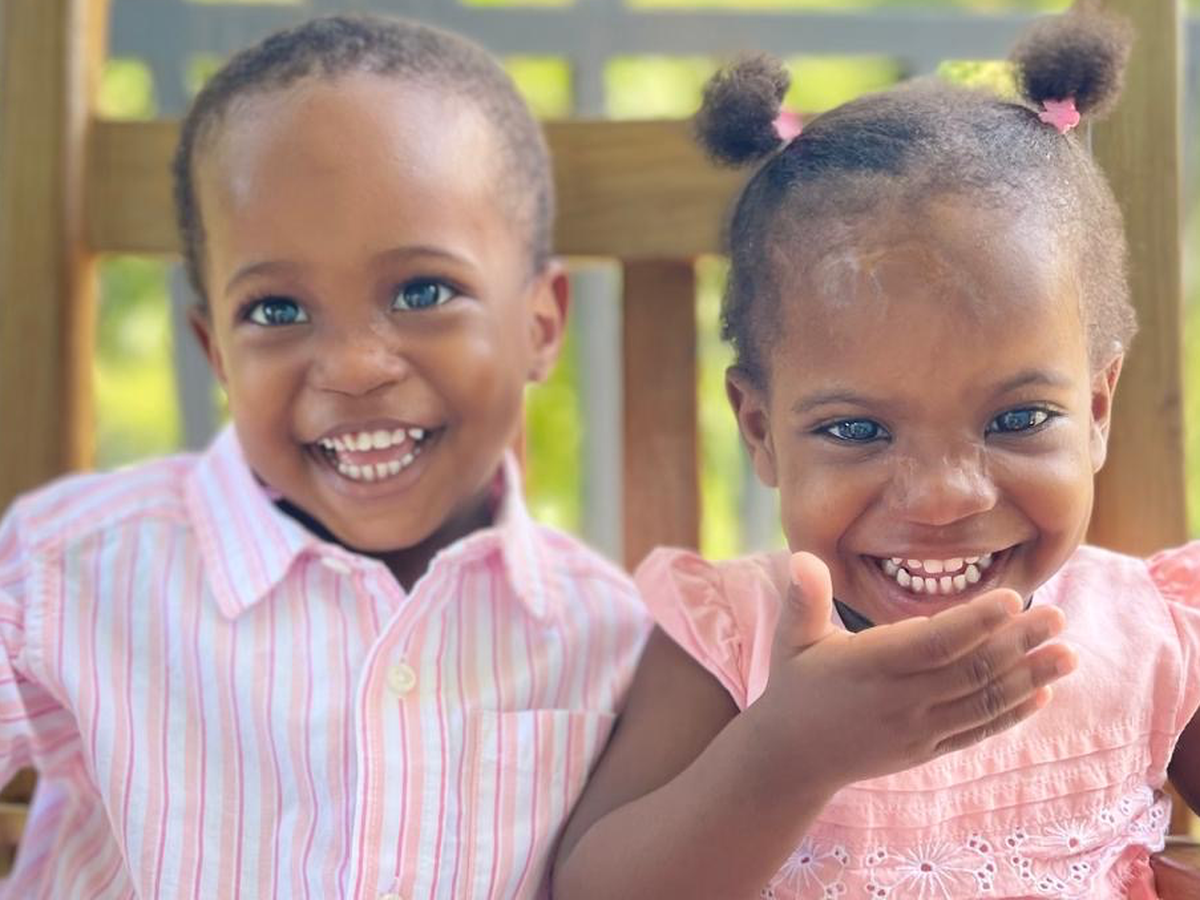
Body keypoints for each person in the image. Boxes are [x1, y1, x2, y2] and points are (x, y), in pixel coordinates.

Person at [554, 6, 1199, 899]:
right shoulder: (728, 640)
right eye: (858, 431)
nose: (942, 497)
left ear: (1095, 410)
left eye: (1017, 419)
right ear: (760, 430)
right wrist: (786, 754)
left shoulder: (1152, 636)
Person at [0, 15, 647, 898]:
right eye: (276, 310)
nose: (352, 366)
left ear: (541, 324)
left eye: (423, 291)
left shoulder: (608, 635)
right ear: (216, 353)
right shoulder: (71, 570)